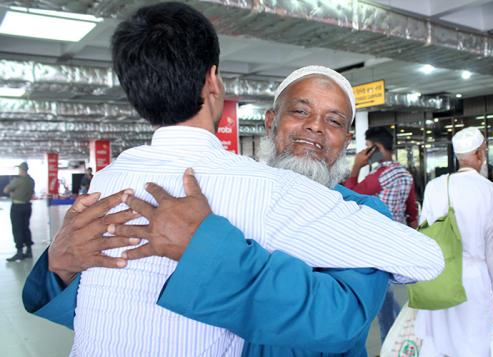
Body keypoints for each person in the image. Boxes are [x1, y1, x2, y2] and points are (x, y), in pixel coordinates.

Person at [22, 3, 444, 356]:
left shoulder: (362, 211)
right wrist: (60, 267)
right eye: (299, 111)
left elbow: (338, 322)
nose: (315, 127)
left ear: (347, 139)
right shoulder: (251, 185)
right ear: (269, 121)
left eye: (333, 121)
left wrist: (211, 251)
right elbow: (115, 299)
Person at [414, 127, 493, 357]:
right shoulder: (491, 192)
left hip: (438, 278)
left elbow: (423, 233)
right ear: (479, 153)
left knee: (438, 346)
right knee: (474, 346)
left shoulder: (435, 186)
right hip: (474, 281)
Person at [344, 126, 418, 341]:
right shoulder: (405, 173)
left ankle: (391, 342)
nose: (365, 152)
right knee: (384, 294)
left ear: (376, 148)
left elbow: (350, 195)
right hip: (395, 240)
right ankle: (396, 336)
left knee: (381, 297)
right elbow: (411, 209)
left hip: (376, 242)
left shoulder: (381, 176)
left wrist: (357, 166)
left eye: (368, 147)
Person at [4, 161, 35, 262]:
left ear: (21, 170)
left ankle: (19, 252)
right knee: (26, 228)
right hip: (27, 206)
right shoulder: (31, 180)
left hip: (17, 206)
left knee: (17, 229)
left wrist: (13, 192)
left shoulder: (17, 180)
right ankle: (29, 251)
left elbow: (6, 190)